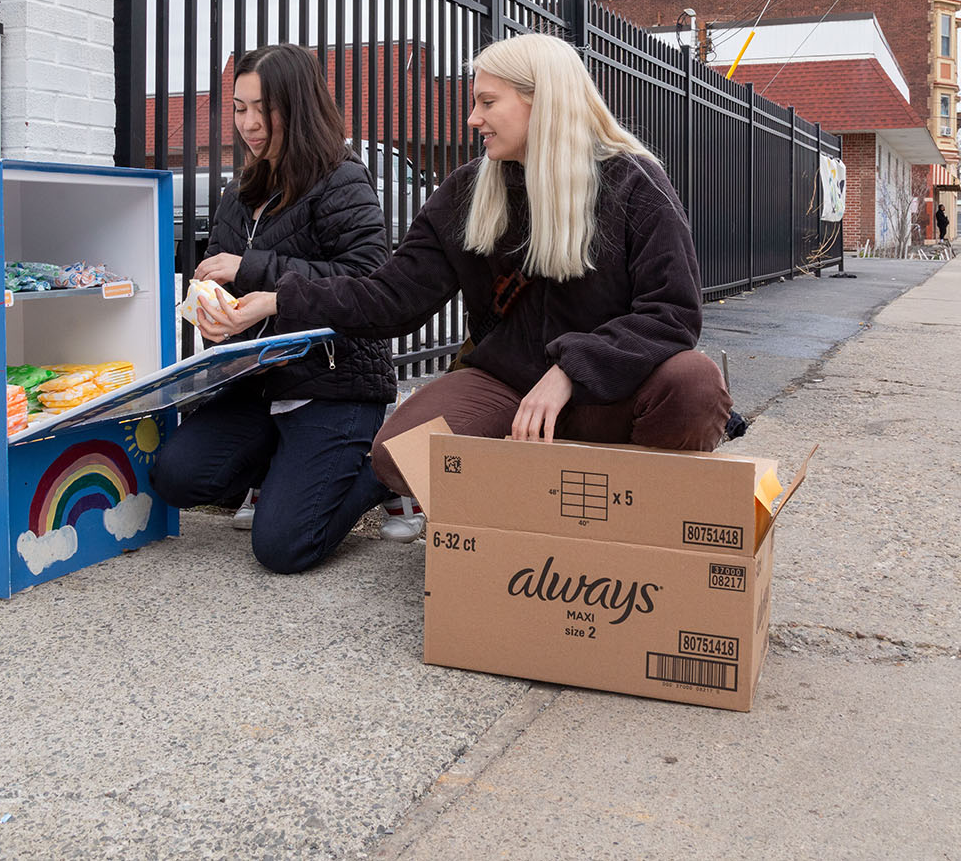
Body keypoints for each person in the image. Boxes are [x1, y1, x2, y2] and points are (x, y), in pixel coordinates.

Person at [198, 32, 733, 543]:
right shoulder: (467, 191)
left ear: (541, 102)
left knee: (694, 384)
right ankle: (521, 520)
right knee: (399, 453)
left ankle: (639, 521)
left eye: (487, 102)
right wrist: (278, 298)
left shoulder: (634, 182)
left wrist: (571, 368)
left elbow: (672, 314)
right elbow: (392, 297)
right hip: (507, 381)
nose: (473, 118)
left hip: (615, 387)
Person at [151, 44, 398, 575]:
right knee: (176, 477)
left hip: (335, 384)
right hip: (256, 384)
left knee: (284, 547)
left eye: (263, 107)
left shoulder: (341, 178)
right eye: (239, 108)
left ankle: (386, 469)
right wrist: (212, 316)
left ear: (298, 102)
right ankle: (287, 470)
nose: (248, 122)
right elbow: (221, 278)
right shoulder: (239, 192)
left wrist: (252, 271)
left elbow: (371, 279)